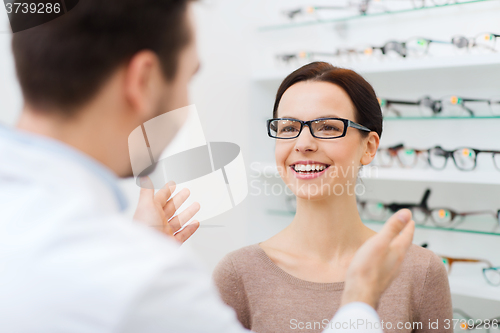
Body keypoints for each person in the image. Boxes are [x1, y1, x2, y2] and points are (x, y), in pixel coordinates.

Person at [0, 0, 414, 332]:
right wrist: (360, 301)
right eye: (187, 77)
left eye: (326, 127)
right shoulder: (145, 278)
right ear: (142, 80)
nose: (304, 144)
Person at [212, 62, 453, 333]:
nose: (303, 144)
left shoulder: (420, 271)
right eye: (289, 128)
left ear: (369, 147)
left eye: (327, 127)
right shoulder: (238, 274)